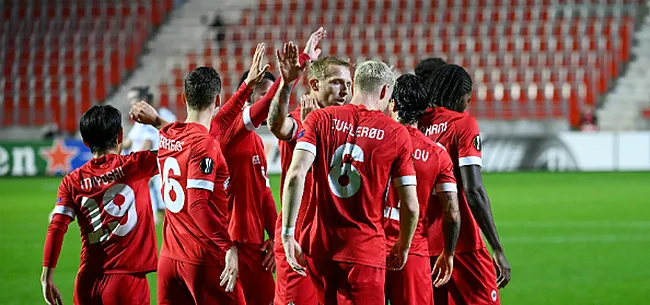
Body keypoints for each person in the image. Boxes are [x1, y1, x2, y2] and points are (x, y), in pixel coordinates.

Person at [281, 60, 420, 304]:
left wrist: (288, 233)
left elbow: (296, 173)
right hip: (365, 250)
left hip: (321, 249)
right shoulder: (396, 133)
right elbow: (410, 205)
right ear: (385, 91)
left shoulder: (319, 119)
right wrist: (404, 245)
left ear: (354, 85)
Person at [267, 29, 355, 305]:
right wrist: (286, 84)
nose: (345, 91)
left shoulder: (351, 123)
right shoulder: (298, 119)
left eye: (349, 84)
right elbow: (278, 125)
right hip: (300, 235)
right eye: (337, 83)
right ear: (315, 85)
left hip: (338, 239)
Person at [154, 64, 253, 305]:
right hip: (203, 258)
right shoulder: (205, 144)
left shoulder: (168, 134)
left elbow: (219, 121)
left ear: (184, 97)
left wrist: (247, 87)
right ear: (217, 99)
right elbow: (198, 205)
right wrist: (228, 247)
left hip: (168, 259)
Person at [41, 105, 159, 305]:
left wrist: (47, 277)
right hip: (127, 282)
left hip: (87, 282)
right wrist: (157, 122)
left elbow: (56, 227)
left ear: (86, 142)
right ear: (121, 135)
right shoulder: (138, 164)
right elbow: (183, 145)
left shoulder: (72, 181)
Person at [418, 64, 512, 305]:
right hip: (463, 243)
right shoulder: (463, 124)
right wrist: (498, 248)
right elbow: (473, 191)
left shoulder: (418, 124)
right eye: (467, 100)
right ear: (461, 96)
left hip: (424, 247)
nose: (467, 105)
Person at [384, 74, 461, 305]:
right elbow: (452, 214)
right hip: (414, 249)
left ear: (394, 104)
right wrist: (448, 253)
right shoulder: (437, 153)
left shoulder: (377, 142)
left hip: (372, 244)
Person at [122, 86, 177, 224]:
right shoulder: (139, 122)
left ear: (143, 100)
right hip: (150, 168)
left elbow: (147, 144)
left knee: (163, 209)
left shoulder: (150, 119)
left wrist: (135, 165)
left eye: (133, 99)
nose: (131, 103)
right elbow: (128, 142)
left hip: (153, 168)